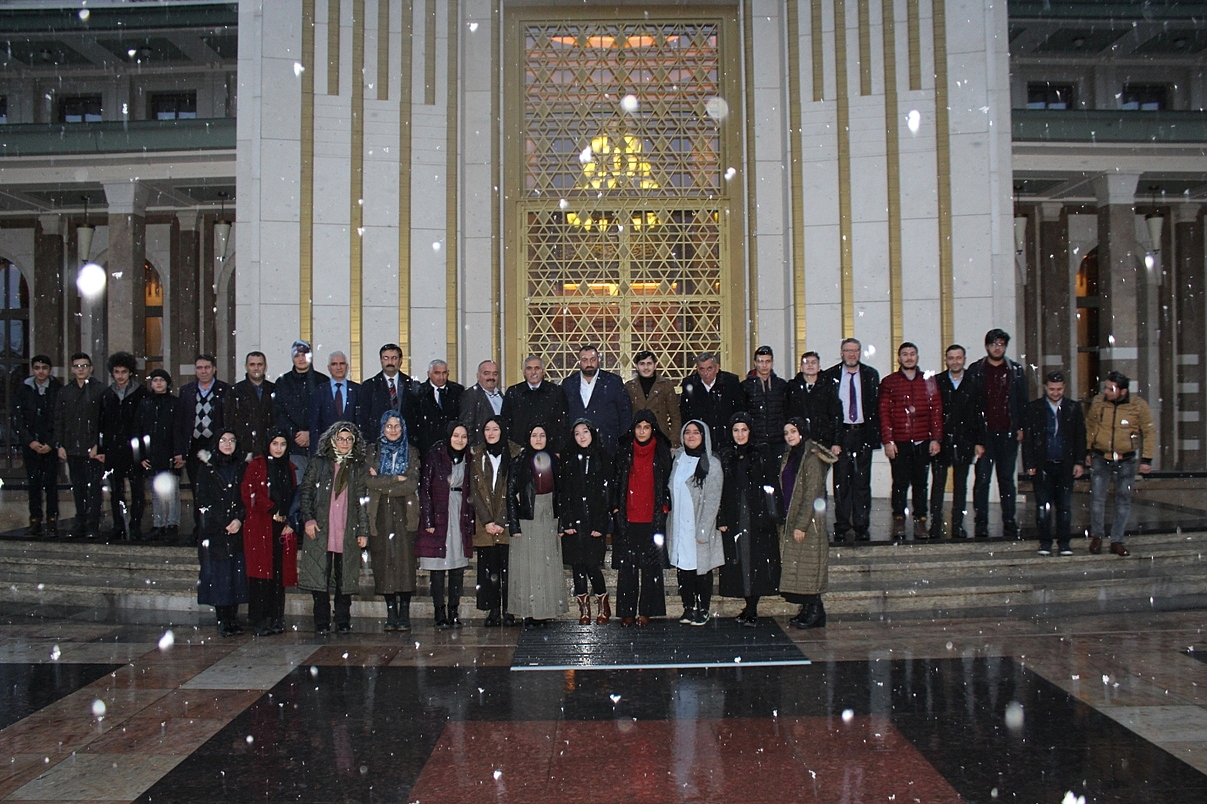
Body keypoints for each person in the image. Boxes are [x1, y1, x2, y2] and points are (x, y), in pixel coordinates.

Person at [299, 421, 370, 635]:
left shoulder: (357, 468)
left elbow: (361, 502)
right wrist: (308, 520)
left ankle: (342, 620)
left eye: (349, 439)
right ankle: (321, 621)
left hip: (346, 531)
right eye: (340, 439)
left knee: (344, 578)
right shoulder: (319, 464)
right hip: (321, 530)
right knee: (319, 578)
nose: (344, 443)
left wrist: (363, 530)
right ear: (332, 440)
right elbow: (305, 493)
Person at [718, 412, 781, 626]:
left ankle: (752, 607)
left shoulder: (761, 453)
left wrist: (772, 513)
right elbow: (722, 490)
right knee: (740, 561)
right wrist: (722, 517)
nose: (740, 434)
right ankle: (748, 605)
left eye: (744, 430)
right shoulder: (726, 455)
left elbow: (771, 485)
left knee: (756, 561)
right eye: (736, 430)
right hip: (735, 515)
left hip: (758, 516)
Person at [1086, 371, 1156, 558]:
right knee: (1097, 499)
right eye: (1106, 387)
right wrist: (1087, 450)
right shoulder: (1099, 402)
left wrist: (1147, 459)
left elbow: (1148, 431)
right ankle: (1097, 536)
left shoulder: (1138, 405)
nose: (1106, 392)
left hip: (1126, 459)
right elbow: (1091, 426)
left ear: (1123, 391)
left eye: (1111, 389)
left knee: (1123, 500)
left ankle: (1117, 539)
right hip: (1101, 456)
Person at [611, 410, 672, 626]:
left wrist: (664, 507)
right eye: (639, 427)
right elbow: (617, 480)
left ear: (652, 429)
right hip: (628, 516)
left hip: (652, 517)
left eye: (646, 427)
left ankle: (647, 610)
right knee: (627, 567)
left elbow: (666, 481)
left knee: (650, 567)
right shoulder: (625, 450)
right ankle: (626, 611)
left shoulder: (661, 451)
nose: (642, 431)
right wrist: (616, 508)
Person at [966, 329, 1028, 538]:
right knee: (982, 479)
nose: (997, 348)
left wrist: (1021, 427)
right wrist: (976, 437)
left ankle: (1009, 521)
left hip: (1008, 433)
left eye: (1001, 344)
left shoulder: (1015, 370)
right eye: (993, 344)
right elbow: (971, 406)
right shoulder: (976, 370)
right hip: (985, 435)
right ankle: (981, 521)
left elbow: (1022, 401)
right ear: (987, 346)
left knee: (1007, 480)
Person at [878, 342, 942, 540]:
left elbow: (936, 411)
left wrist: (936, 438)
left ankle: (920, 521)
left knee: (921, 483)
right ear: (899, 358)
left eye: (912, 354)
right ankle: (899, 520)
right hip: (899, 442)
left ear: (917, 357)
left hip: (923, 441)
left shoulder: (928, 380)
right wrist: (888, 441)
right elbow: (884, 413)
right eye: (905, 354)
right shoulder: (889, 382)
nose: (909, 357)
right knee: (900, 483)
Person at [778, 417, 839, 628]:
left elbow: (812, 494)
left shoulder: (812, 458)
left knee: (810, 568)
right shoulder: (792, 455)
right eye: (786, 433)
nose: (789, 436)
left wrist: (801, 525)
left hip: (808, 522)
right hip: (792, 516)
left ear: (802, 431)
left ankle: (815, 610)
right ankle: (808, 609)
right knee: (802, 568)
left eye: (793, 431)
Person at [365, 411, 421, 631]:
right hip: (379, 511)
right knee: (383, 560)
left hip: (405, 511)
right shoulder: (373, 451)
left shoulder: (411, 451)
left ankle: (404, 612)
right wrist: (396, 478)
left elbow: (412, 483)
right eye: (389, 426)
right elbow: (368, 481)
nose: (393, 430)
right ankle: (391, 612)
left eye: (397, 426)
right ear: (382, 428)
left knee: (405, 561)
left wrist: (383, 483)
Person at [507, 424, 567, 626]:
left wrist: (562, 523)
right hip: (527, 517)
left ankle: (546, 610)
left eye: (542, 435)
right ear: (528, 437)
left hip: (549, 515)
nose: (538, 439)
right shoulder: (519, 462)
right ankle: (529, 612)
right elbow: (510, 494)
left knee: (547, 565)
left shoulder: (555, 462)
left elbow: (562, 494)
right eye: (534, 435)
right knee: (529, 566)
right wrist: (514, 525)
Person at [418, 423, 474, 628]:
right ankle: (439, 611)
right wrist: (428, 519)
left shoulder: (469, 458)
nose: (459, 440)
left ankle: (454, 610)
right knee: (438, 567)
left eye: (464, 436)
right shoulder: (435, 456)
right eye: (456, 435)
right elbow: (425, 488)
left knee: (458, 566)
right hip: (439, 510)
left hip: (459, 511)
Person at [668, 419, 724, 626]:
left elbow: (713, 499)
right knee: (683, 567)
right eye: (687, 432)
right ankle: (688, 607)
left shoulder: (712, 463)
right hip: (679, 521)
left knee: (701, 567)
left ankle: (703, 608)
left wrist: (703, 530)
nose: (691, 436)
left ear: (704, 436)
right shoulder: (677, 459)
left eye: (696, 432)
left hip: (699, 522)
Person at [241, 429, 297, 635]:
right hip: (261, 524)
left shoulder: (289, 467)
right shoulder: (256, 466)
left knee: (278, 574)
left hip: (281, 526)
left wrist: (288, 517)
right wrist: (272, 509)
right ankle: (259, 618)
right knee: (260, 574)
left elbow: (293, 495)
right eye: (275, 444)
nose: (279, 448)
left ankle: (276, 616)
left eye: (283, 444)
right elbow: (250, 493)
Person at [1022, 372, 1085, 556]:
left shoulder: (1073, 407)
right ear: (1045, 388)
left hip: (1065, 464)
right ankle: (1045, 542)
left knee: (1064, 505)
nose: (1055, 393)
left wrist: (1079, 461)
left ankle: (1064, 543)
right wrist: (1030, 463)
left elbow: (1080, 436)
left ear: (1064, 388)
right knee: (1043, 505)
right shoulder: (1034, 408)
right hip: (1043, 464)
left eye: (1059, 389)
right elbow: (1028, 439)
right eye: (1052, 389)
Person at [559, 419, 614, 624]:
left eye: (585, 432)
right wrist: (567, 521)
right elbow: (563, 493)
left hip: (593, 522)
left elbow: (607, 494)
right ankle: (584, 609)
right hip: (574, 522)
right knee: (577, 566)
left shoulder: (603, 458)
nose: (581, 436)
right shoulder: (568, 459)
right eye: (577, 433)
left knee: (592, 565)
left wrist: (601, 524)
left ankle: (602, 603)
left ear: (592, 433)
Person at [825, 338, 880, 542]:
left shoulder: (870, 374)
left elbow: (875, 406)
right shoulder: (830, 375)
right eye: (848, 350)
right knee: (841, 482)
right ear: (841, 353)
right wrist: (833, 438)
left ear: (860, 352)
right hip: (841, 434)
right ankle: (841, 525)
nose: (851, 354)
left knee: (862, 482)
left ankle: (861, 526)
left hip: (863, 432)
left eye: (855, 350)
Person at [195, 428, 249, 637]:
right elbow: (202, 500)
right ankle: (223, 619)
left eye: (232, 440)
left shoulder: (242, 467)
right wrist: (223, 521)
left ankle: (233, 618)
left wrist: (239, 518)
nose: (228, 444)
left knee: (236, 575)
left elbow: (247, 496)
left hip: (237, 530)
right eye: (223, 440)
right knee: (219, 577)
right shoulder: (207, 469)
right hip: (215, 532)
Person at [174, 354, 232, 542]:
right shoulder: (187, 391)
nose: (203, 371)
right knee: (198, 488)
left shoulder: (224, 390)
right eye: (199, 368)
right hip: (194, 447)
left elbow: (229, 420)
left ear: (214, 369)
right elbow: (180, 422)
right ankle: (200, 527)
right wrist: (180, 450)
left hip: (216, 446)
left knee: (218, 488)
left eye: (207, 367)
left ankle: (217, 528)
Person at [469, 416, 520, 626]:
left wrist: (501, 520)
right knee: (488, 569)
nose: (491, 433)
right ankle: (492, 610)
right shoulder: (476, 455)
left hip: (506, 522)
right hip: (485, 524)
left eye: (495, 429)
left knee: (509, 569)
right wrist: (487, 521)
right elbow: (474, 490)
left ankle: (509, 610)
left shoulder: (515, 454)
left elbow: (513, 489)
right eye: (487, 429)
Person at [930, 345, 984, 539]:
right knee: (938, 484)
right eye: (951, 358)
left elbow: (979, 413)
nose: (955, 361)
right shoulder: (937, 382)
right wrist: (934, 438)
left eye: (958, 358)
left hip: (965, 440)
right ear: (946, 360)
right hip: (941, 440)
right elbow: (932, 413)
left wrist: (979, 441)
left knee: (961, 486)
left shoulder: (974, 382)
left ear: (964, 359)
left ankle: (958, 525)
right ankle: (935, 524)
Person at [97, 352, 149, 541]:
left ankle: (135, 525)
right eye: (117, 372)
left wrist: (144, 451)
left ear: (130, 372)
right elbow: (101, 424)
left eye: (124, 372)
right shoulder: (106, 394)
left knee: (137, 490)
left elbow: (145, 425)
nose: (120, 376)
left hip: (134, 449)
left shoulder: (141, 393)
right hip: (113, 449)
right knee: (115, 490)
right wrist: (101, 449)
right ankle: (118, 524)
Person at [55, 352, 106, 540]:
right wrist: (60, 444)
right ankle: (80, 522)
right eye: (77, 366)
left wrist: (99, 444)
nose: (80, 369)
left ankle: (93, 524)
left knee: (94, 488)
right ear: (72, 369)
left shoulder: (100, 390)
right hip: (72, 447)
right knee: (78, 487)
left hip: (93, 449)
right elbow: (59, 419)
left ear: (90, 368)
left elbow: (104, 420)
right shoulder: (65, 392)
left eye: (84, 366)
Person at [13, 354, 61, 537]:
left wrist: (51, 443)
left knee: (51, 483)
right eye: (37, 368)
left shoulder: (57, 389)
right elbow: (17, 419)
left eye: (44, 368)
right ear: (33, 369)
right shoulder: (24, 390)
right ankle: (35, 520)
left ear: (50, 370)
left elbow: (60, 419)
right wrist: (30, 441)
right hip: (31, 444)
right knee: (34, 484)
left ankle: (52, 519)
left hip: (50, 445)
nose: (41, 372)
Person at [137, 369, 181, 542]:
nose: (158, 383)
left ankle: (172, 524)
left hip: (170, 453)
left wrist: (180, 453)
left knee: (172, 492)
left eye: (161, 380)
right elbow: (138, 430)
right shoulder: (145, 403)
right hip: (152, 455)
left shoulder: (175, 403)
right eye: (155, 380)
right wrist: (141, 455)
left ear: (168, 383)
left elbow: (179, 429)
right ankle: (158, 524)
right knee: (156, 492)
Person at [274, 339, 329, 477]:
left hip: (319, 447)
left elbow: (327, 413)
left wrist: (312, 434)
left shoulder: (322, 381)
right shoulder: (282, 382)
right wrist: (296, 435)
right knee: (297, 486)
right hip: (293, 448)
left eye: (304, 354)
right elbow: (279, 414)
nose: (301, 359)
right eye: (297, 355)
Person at [563, 345, 631, 454]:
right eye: (585, 360)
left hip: (608, 446)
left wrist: (622, 442)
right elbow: (563, 415)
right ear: (579, 361)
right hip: (577, 447)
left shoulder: (613, 382)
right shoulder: (569, 384)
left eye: (592, 359)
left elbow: (625, 414)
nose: (589, 364)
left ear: (598, 360)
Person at [680, 351, 745, 450]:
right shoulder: (690, 384)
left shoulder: (730, 382)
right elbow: (685, 412)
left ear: (717, 368)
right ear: (697, 369)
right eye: (702, 369)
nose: (706, 373)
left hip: (725, 438)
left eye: (709, 368)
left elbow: (739, 409)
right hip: (700, 439)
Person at [503, 356, 568, 453]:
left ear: (543, 371)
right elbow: (506, 423)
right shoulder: (513, 393)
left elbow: (563, 423)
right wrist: (513, 450)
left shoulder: (556, 392)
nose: (533, 372)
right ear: (524, 372)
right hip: (520, 451)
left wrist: (558, 450)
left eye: (537, 368)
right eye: (529, 368)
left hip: (549, 451)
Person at [359, 343, 415, 444]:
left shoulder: (411, 385)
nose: (390, 362)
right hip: (378, 443)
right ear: (381, 360)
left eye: (394, 358)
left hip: (406, 443)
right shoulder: (369, 386)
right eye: (386, 358)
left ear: (400, 360)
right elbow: (364, 419)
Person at [624, 350, 681, 447]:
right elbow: (625, 416)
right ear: (636, 366)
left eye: (649, 363)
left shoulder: (666, 385)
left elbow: (675, 417)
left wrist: (673, 442)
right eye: (642, 364)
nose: (646, 367)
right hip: (637, 438)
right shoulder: (629, 387)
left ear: (655, 365)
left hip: (661, 438)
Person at [224, 351, 275, 459]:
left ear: (265, 366)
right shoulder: (235, 391)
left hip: (269, 448)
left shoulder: (273, 389)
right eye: (252, 364)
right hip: (244, 450)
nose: (256, 368)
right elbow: (229, 421)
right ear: (246, 367)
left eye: (259, 364)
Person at [741, 345, 789, 457]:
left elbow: (786, 411)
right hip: (754, 442)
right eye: (760, 361)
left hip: (778, 441)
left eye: (767, 361)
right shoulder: (745, 386)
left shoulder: (781, 385)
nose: (764, 365)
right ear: (755, 363)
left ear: (772, 363)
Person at [786, 351, 840, 451]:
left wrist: (836, 442)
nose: (810, 365)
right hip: (799, 440)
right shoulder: (792, 387)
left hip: (823, 439)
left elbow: (836, 414)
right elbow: (787, 413)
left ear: (819, 367)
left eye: (813, 362)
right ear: (801, 368)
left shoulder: (828, 387)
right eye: (806, 362)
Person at [310, 351, 361, 452]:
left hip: (352, 450)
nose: (338, 367)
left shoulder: (358, 390)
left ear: (347, 366)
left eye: (342, 363)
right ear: (329, 368)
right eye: (334, 364)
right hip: (326, 449)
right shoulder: (319, 391)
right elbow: (314, 424)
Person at [413, 359, 464, 456]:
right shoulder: (419, 393)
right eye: (437, 373)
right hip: (426, 447)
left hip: (452, 447)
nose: (441, 377)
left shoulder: (457, 391)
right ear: (429, 374)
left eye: (444, 373)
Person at [460, 359, 505, 447]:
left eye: (495, 374)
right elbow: (467, 426)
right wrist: (474, 450)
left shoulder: (501, 395)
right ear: (478, 376)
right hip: (482, 449)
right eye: (486, 373)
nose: (491, 377)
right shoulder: (470, 396)